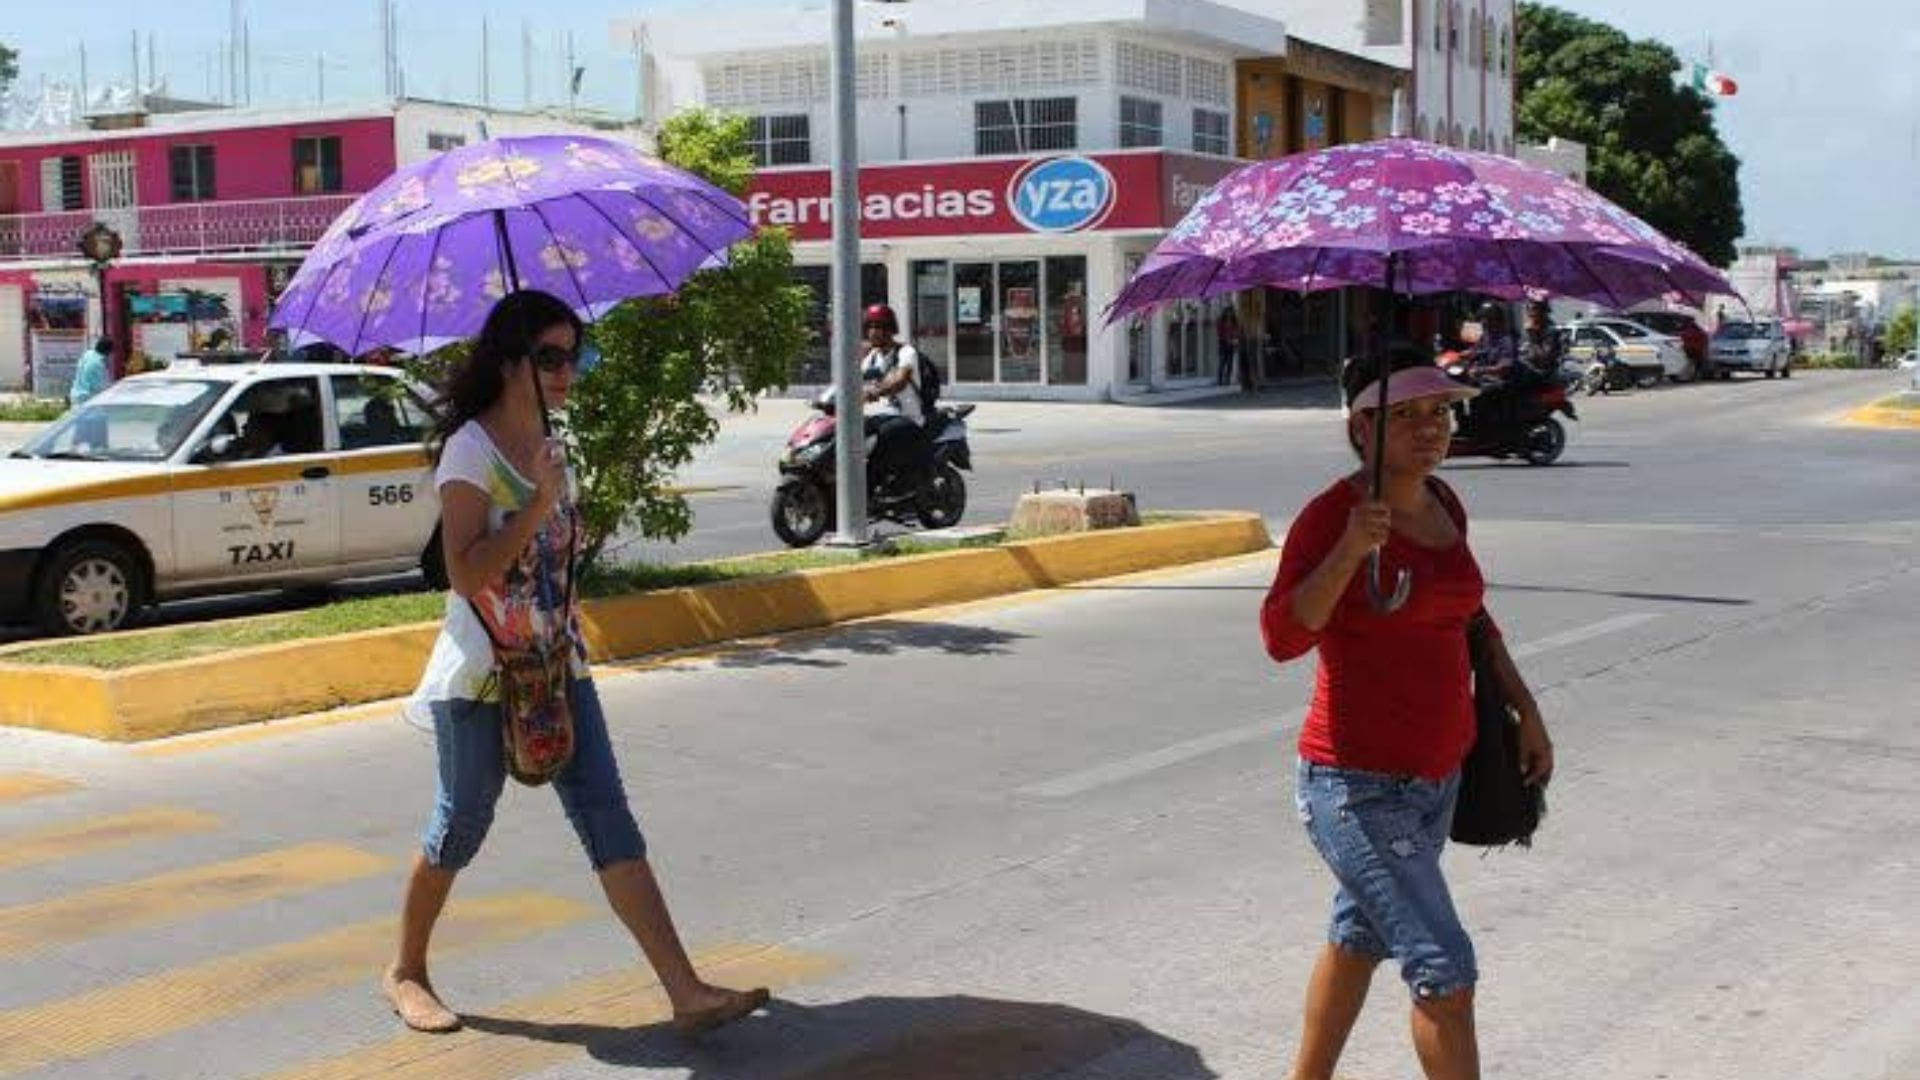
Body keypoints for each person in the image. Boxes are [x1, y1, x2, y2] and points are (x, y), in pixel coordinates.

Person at [388, 290, 768, 1036]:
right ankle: (406, 970)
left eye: (575, 355)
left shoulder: (555, 441)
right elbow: (466, 575)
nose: (568, 371)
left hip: (559, 667)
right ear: (508, 362)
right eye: (550, 357)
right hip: (484, 674)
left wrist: (553, 502)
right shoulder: (472, 450)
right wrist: (535, 505)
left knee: (606, 814)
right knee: (461, 824)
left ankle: (684, 989)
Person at [1261, 346, 1554, 1080]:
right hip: (1354, 784)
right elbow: (1283, 636)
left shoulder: (1444, 502)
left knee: (1359, 933)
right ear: (1363, 428)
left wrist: (1524, 707)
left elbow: (1471, 616)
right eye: (1405, 415)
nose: (1431, 428)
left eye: (1440, 410)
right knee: (1444, 972)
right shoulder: (1333, 515)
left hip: (1438, 773)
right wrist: (1349, 550)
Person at [859, 303, 927, 495]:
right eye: (870, 327)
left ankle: (871, 492)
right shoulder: (871, 357)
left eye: (878, 327)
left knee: (881, 437)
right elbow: (856, 381)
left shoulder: (906, 352)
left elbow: (900, 380)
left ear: (890, 329)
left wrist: (876, 392)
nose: (873, 332)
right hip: (882, 415)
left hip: (908, 417)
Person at [69, 336, 113, 409]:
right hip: (87, 400)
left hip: (76, 396)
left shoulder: (88, 354)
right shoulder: (97, 364)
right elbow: (99, 386)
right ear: (107, 351)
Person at [1216, 305, 1242, 387]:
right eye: (1228, 312)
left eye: (1231, 312)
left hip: (1231, 345)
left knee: (1230, 363)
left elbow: (1237, 331)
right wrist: (1226, 339)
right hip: (1223, 344)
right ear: (1225, 312)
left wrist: (1235, 339)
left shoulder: (1235, 322)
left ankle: (1227, 379)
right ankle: (1220, 380)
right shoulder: (1221, 322)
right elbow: (1219, 333)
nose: (1230, 313)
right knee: (1222, 362)